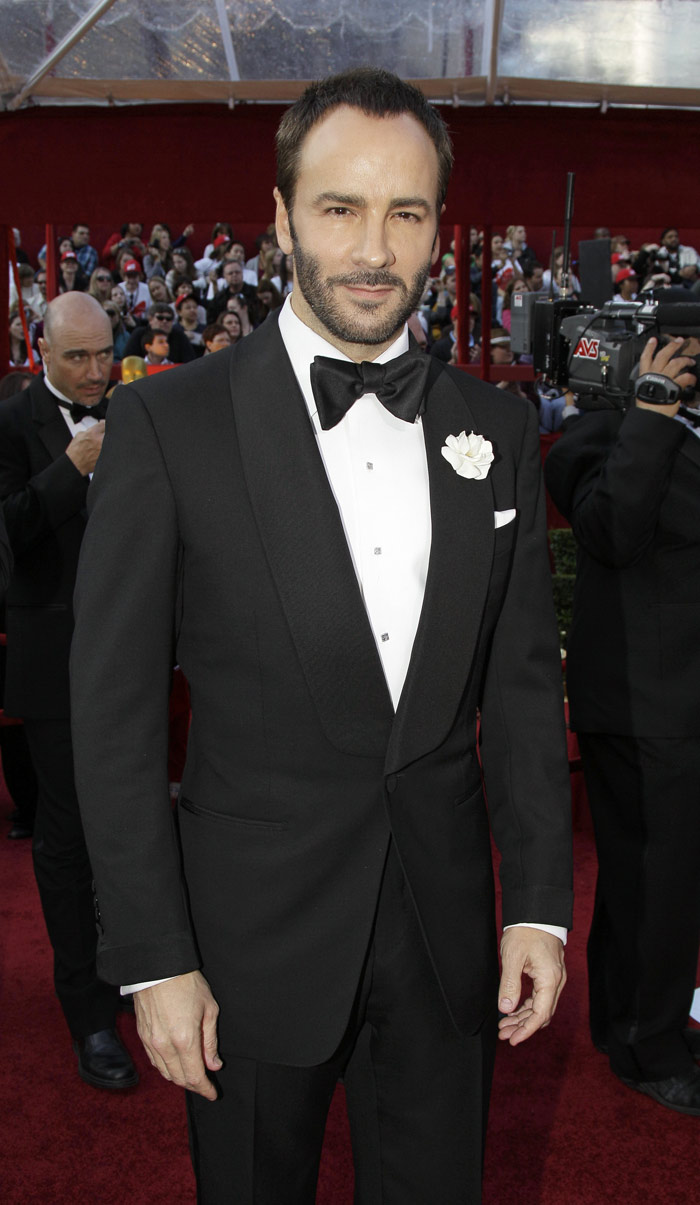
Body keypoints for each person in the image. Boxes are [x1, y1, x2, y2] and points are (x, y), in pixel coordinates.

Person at [71, 68, 572, 1202]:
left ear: (441, 229)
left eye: (406, 211)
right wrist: (154, 955)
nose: (372, 247)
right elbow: (112, 720)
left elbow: (525, 690)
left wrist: (536, 901)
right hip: (245, 943)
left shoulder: (492, 427)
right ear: (282, 213)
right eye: (340, 207)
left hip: (447, 944)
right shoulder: (168, 423)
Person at [544, 333, 700, 1116]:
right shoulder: (597, 436)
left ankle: (638, 1021)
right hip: (645, 708)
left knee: (659, 884)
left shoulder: (672, 432)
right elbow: (611, 530)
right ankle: (647, 1047)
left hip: (676, 705)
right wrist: (651, 411)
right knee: (657, 885)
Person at [0, 293, 137, 1090]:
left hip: (135, 653)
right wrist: (72, 467)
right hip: (55, 664)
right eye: (76, 357)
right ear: (40, 349)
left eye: (102, 355)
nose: (93, 373)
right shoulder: (12, 424)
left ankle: (131, 973)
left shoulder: (140, 410)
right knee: (69, 833)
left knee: (130, 823)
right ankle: (87, 1010)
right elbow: (7, 531)